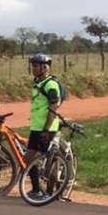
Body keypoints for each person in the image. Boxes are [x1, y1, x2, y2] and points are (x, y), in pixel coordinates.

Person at [24, 53, 63, 201]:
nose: (33, 68)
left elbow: (54, 107)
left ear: (45, 67)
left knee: (50, 161)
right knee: (28, 158)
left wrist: (46, 129)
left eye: (35, 66)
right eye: (32, 65)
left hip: (48, 128)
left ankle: (50, 192)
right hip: (36, 128)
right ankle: (36, 190)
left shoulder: (50, 84)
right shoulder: (37, 83)